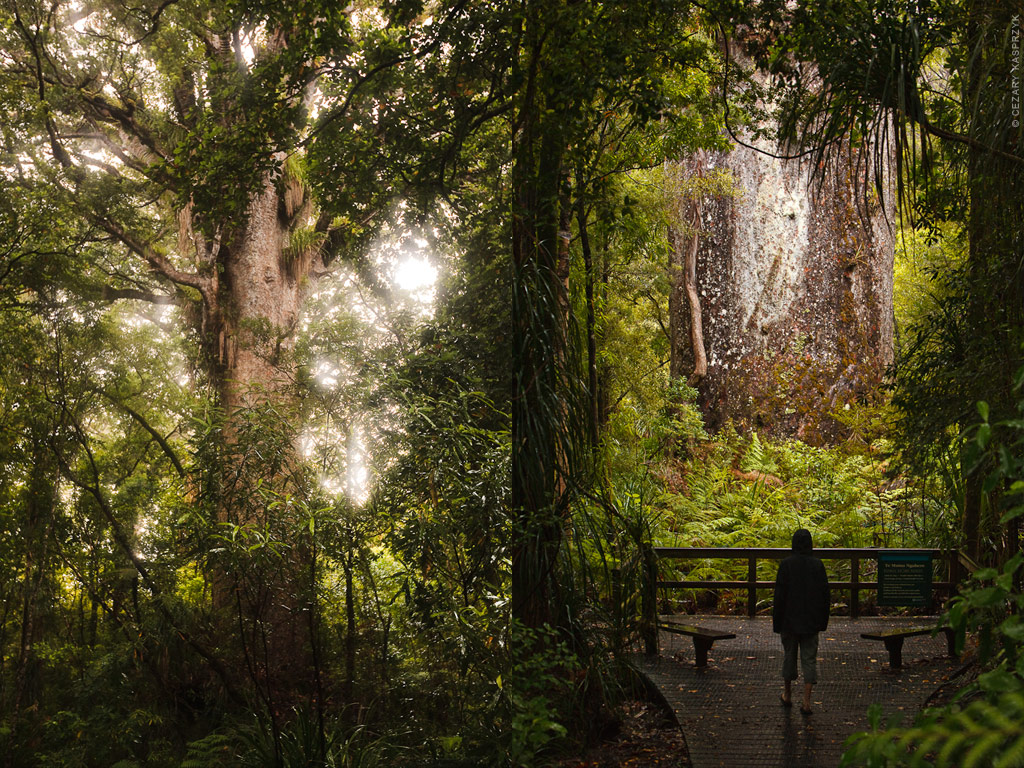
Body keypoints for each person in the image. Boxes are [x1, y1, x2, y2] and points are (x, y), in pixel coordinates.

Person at [773, 528, 830, 715]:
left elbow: (779, 595)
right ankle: (806, 701)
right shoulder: (817, 565)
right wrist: (823, 620)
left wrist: (777, 621)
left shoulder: (786, 565)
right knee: (809, 659)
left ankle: (787, 694)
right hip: (811, 621)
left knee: (789, 656)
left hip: (789, 621)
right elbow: (825, 595)